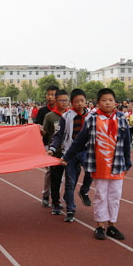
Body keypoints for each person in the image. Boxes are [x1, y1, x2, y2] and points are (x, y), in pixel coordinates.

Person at [62, 88, 132, 240]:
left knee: (115, 196)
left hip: (117, 165)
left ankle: (111, 225)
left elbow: (127, 142)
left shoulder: (121, 119)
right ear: (98, 103)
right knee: (101, 195)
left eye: (110, 100)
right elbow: (79, 141)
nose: (107, 103)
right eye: (104, 100)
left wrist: (127, 162)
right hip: (99, 165)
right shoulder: (92, 119)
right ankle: (100, 225)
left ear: (115, 102)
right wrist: (67, 157)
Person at [48, 88, 93, 223]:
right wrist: (52, 148)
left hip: (86, 151)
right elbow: (58, 135)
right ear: (72, 103)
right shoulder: (66, 117)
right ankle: (70, 210)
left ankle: (84, 190)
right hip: (70, 152)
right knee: (70, 181)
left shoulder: (92, 117)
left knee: (91, 171)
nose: (79, 104)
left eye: (82, 101)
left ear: (86, 101)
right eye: (76, 101)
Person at [43, 89, 69, 215]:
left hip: (69, 154)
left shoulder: (72, 115)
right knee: (55, 180)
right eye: (61, 100)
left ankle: (68, 200)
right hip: (55, 153)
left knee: (71, 179)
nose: (64, 103)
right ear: (56, 101)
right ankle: (55, 202)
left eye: (66, 100)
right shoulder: (50, 116)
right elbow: (45, 132)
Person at [36, 85, 59, 207]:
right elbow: (36, 127)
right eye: (48, 94)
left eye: (53, 95)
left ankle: (56, 198)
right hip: (46, 145)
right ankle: (46, 195)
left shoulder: (64, 111)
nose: (50, 97)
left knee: (60, 174)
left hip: (61, 146)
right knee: (51, 171)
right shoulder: (43, 111)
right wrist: (40, 129)